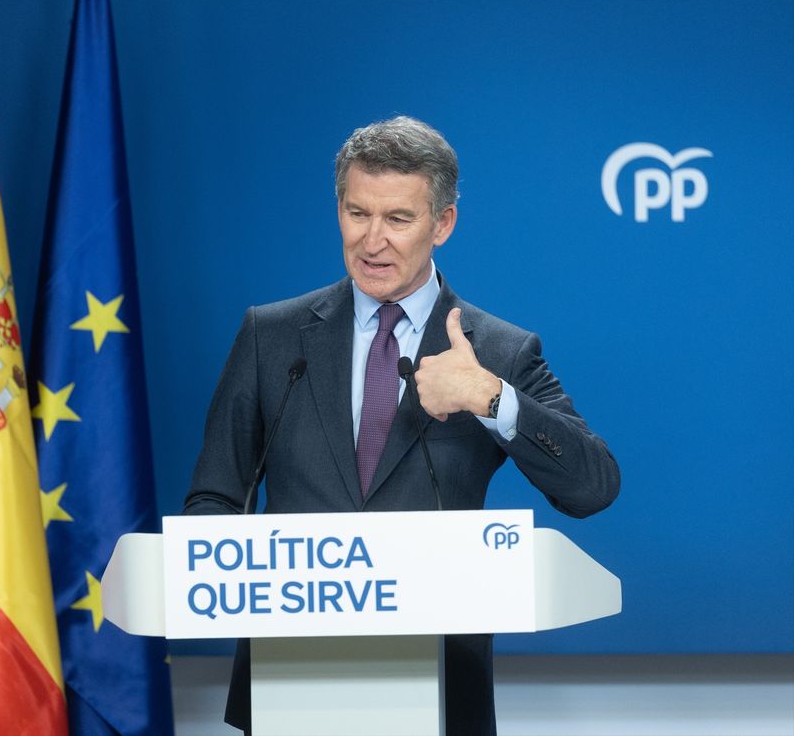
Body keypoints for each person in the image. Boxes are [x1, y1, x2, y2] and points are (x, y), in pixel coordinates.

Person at [183, 116, 620, 736]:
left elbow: (594, 486)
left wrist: (491, 398)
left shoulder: (497, 350)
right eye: (357, 214)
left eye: (398, 219)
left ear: (442, 224)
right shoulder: (272, 337)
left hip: (440, 683)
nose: (372, 241)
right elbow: (215, 495)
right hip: (288, 677)